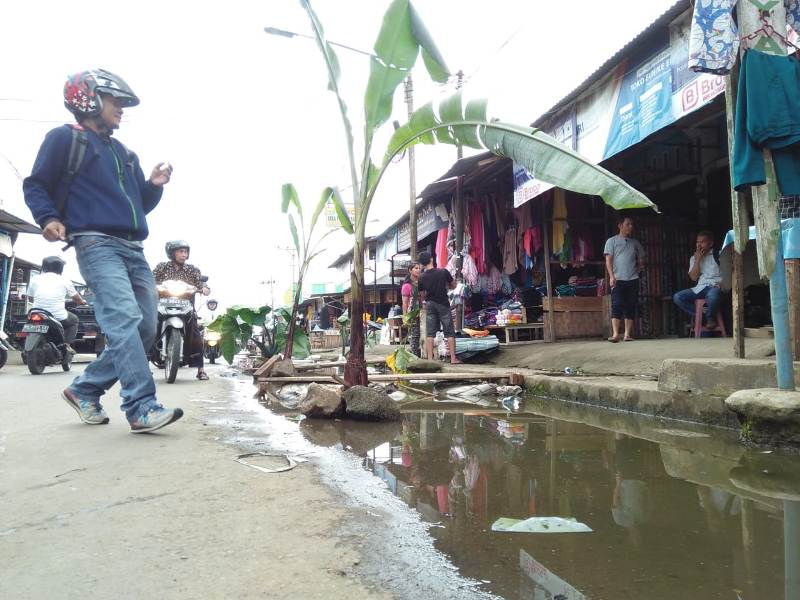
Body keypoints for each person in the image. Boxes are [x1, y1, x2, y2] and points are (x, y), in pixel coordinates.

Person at [23, 69, 181, 433]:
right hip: (95, 243)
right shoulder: (65, 139)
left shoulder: (125, 153)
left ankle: (84, 389)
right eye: (116, 102)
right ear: (88, 99)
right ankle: (141, 406)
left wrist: (153, 187)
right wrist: (47, 217)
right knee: (123, 319)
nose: (121, 110)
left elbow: (136, 204)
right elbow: (36, 185)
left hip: (133, 247)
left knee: (144, 328)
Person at [153, 240, 211, 380]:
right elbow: (151, 279)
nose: (184, 255)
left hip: (186, 306)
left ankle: (201, 370)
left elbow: (201, 283)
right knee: (147, 327)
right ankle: (142, 366)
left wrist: (204, 288)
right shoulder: (162, 267)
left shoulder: (192, 270)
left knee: (196, 334)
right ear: (172, 253)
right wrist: (150, 285)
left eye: (185, 252)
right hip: (162, 304)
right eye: (180, 251)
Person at [26, 256, 86, 346]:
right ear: (60, 268)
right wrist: (82, 302)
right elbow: (77, 299)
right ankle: (67, 345)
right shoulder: (65, 280)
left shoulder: (35, 279)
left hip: (36, 313)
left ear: (44, 267)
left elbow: (30, 298)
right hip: (57, 316)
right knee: (74, 320)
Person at [604, 215, 645, 343]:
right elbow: (608, 260)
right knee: (616, 304)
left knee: (630, 306)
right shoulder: (612, 241)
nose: (630, 227)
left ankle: (627, 335)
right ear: (620, 225)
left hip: (633, 279)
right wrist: (611, 276)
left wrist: (637, 270)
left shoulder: (635, 243)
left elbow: (641, 260)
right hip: (617, 279)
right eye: (628, 224)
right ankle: (616, 334)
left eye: (631, 224)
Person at [672, 230, 722, 331]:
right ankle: (703, 316)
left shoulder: (719, 255)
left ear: (710, 243)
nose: (699, 245)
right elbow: (694, 277)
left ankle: (709, 318)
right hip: (700, 288)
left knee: (713, 295)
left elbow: (730, 272)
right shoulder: (693, 258)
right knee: (678, 297)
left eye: (702, 242)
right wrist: (698, 260)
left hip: (715, 287)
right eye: (697, 242)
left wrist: (722, 284)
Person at [417, 251, 461, 364]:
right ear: (431, 259)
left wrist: (424, 303)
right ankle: (453, 358)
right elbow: (454, 285)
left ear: (422, 264)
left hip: (430, 304)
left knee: (430, 333)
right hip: (443, 303)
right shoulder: (443, 272)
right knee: (449, 331)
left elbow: (421, 294)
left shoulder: (421, 277)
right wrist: (448, 286)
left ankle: (430, 359)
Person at [401, 262, 422, 357]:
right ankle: (414, 356)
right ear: (410, 270)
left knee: (423, 334)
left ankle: (420, 354)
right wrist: (405, 317)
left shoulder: (421, 283)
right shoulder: (407, 286)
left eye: (419, 268)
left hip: (423, 312)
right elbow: (405, 303)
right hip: (412, 313)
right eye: (416, 268)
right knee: (415, 335)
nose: (418, 270)